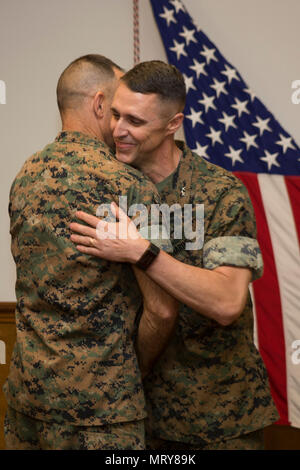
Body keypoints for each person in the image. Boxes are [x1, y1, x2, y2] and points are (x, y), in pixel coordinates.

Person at [70, 60, 279, 450]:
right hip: (135, 416)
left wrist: (141, 252)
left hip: (218, 417)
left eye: (135, 120)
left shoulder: (219, 192)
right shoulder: (109, 186)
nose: (118, 130)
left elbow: (226, 302)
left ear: (172, 124)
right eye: (115, 114)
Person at [4, 55, 177, 450]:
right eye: (115, 110)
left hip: (28, 400)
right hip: (103, 411)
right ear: (98, 104)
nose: (119, 123)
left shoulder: (25, 176)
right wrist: (134, 368)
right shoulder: (129, 186)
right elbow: (163, 309)